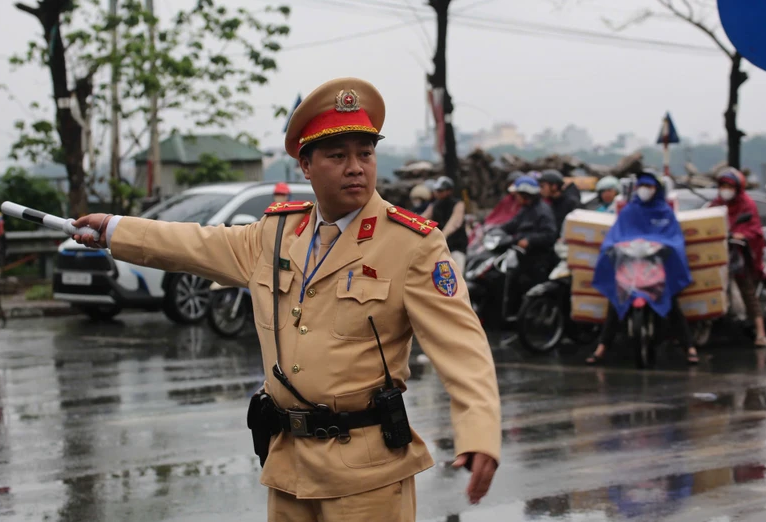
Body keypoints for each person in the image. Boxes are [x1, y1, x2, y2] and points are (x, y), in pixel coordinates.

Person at [72, 78, 501, 520]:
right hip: (288, 466)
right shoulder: (277, 234)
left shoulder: (411, 243)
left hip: (367, 478)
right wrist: (114, 230)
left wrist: (480, 432)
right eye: (338, 156)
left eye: (365, 154)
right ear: (305, 165)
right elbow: (195, 244)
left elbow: (462, 345)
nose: (356, 167)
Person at [587, 170, 698, 365]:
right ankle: (601, 348)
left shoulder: (664, 212)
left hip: (657, 269)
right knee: (616, 301)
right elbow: (615, 236)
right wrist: (614, 248)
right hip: (630, 267)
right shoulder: (630, 211)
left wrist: (663, 247)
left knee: (671, 302)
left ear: (656, 190)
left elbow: (674, 239)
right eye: (641, 187)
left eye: (649, 187)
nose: (644, 191)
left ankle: (689, 347)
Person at [712, 167, 766, 348]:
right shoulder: (717, 203)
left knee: (747, 291)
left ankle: (761, 332)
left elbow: (754, 229)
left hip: (739, 254)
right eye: (723, 185)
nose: (725, 189)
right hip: (719, 253)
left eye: (729, 186)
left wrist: (740, 235)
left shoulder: (747, 204)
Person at [502, 176, 559, 285]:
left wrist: (529, 240)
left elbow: (550, 234)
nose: (516, 198)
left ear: (525, 195)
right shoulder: (526, 209)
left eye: (517, 195)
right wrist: (496, 230)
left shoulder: (543, 211)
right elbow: (512, 224)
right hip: (522, 257)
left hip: (538, 260)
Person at [422, 177, 468, 273]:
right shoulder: (434, 206)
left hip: (456, 247)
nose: (437, 193)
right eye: (437, 190)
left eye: (440, 190)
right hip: (439, 248)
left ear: (449, 191)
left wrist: (443, 235)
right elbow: (422, 219)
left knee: (458, 275)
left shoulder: (458, 204)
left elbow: (455, 222)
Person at [539, 170, 580, 237]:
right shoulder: (549, 202)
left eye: (542, 186)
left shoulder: (570, 203)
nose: (540, 190)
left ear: (554, 186)